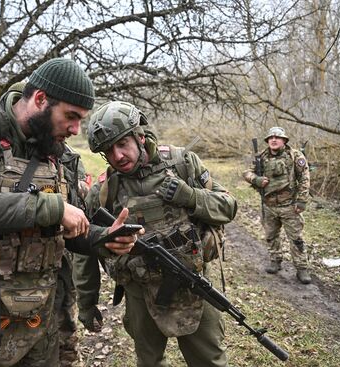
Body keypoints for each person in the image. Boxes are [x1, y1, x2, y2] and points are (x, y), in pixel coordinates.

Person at [0, 58, 138, 366]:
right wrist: (52, 207)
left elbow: (71, 227)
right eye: (70, 116)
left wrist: (102, 239)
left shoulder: (60, 155)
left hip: (45, 312)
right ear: (40, 99)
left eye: (81, 119)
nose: (75, 129)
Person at [76, 101, 238, 367]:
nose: (117, 156)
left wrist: (191, 196)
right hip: (139, 291)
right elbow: (87, 246)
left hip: (193, 284)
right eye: (108, 150)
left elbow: (229, 207)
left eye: (122, 144)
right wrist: (87, 301)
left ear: (140, 136)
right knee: (149, 361)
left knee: (210, 360)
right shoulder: (104, 191)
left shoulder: (182, 163)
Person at [242, 126, 312, 284]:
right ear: (267, 141)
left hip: (290, 205)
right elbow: (246, 172)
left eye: (277, 137)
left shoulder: (295, 156)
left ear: (284, 140)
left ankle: (302, 268)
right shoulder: (261, 157)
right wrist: (256, 180)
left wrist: (302, 200)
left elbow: (305, 178)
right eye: (270, 138)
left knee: (296, 239)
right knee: (271, 236)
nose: (273, 140)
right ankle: (275, 261)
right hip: (269, 205)